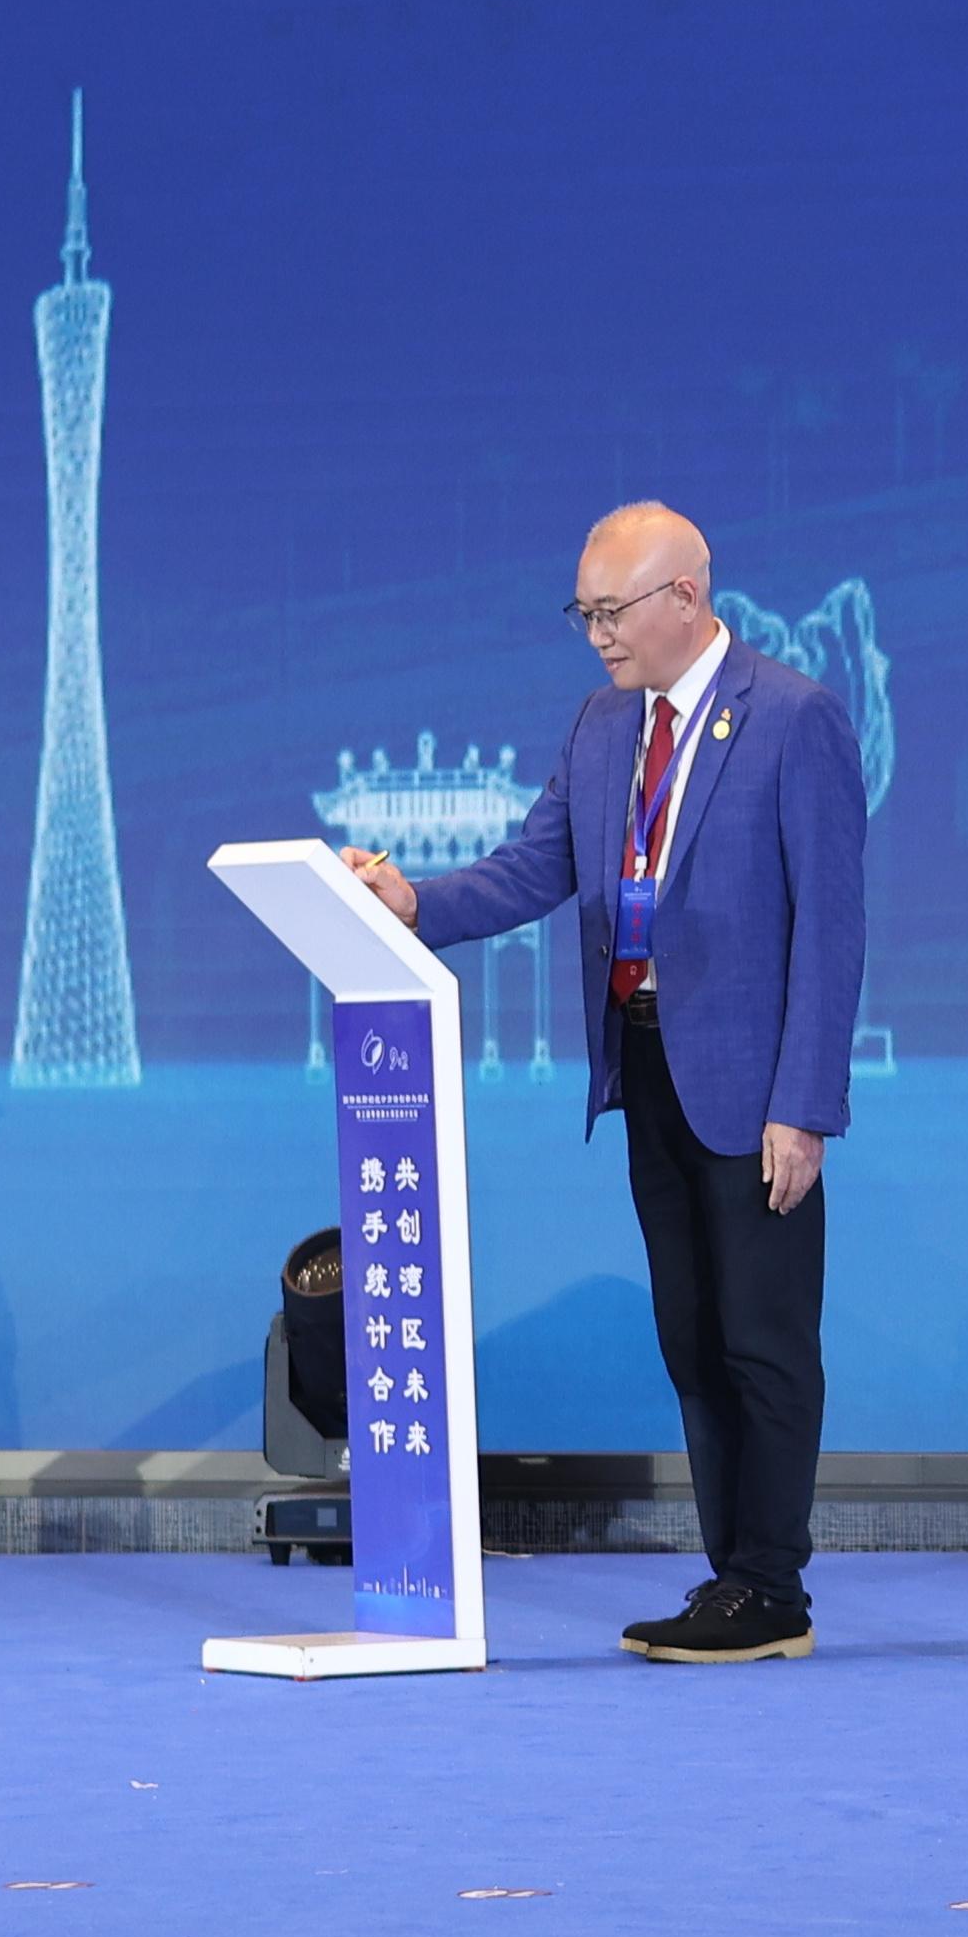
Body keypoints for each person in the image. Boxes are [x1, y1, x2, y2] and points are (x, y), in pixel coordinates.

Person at [342, 501, 866, 1664]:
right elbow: (539, 867)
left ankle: (771, 1582)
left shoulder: (793, 719)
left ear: (685, 595)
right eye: (582, 613)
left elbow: (832, 929)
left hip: (751, 1085)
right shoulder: (599, 726)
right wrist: (416, 902)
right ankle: (730, 1575)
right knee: (689, 1333)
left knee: (762, 1338)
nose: (595, 635)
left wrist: (805, 1102)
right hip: (643, 1062)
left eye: (609, 611)